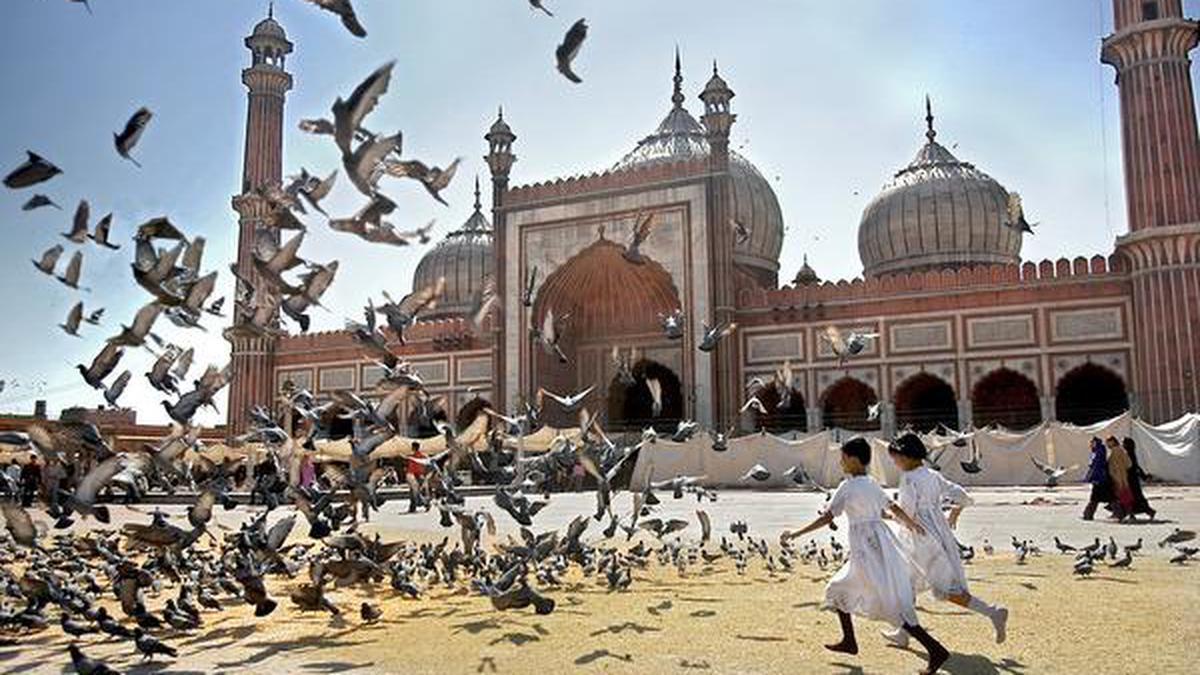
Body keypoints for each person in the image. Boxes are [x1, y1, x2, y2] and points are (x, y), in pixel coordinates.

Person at [784, 438, 950, 675]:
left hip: (865, 550)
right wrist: (910, 523)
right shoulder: (871, 483)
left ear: (852, 459)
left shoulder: (847, 487)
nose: (841, 462)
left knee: (886, 604)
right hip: (879, 545)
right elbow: (892, 507)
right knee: (840, 590)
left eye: (842, 458)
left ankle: (936, 650)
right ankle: (850, 641)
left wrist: (796, 533)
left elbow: (828, 517)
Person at [883, 434, 1008, 648]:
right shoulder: (932, 475)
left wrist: (886, 515)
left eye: (897, 458)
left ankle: (992, 612)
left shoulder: (909, 479)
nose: (895, 463)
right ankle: (904, 632)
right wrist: (955, 512)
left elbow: (907, 513)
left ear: (907, 456)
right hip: (938, 532)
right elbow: (961, 494)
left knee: (946, 589)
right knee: (907, 583)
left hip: (920, 538)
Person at [1122, 437, 1156, 520]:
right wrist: (1143, 476)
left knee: (1133, 497)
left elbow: (1133, 467)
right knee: (1134, 497)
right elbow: (1137, 467)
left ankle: (1146, 512)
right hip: (1132, 480)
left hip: (1131, 480)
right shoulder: (1130, 453)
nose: (1122, 444)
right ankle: (1132, 513)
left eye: (1124, 443)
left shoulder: (1129, 454)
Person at [1081, 437, 1112, 520]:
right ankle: (1087, 514)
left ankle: (1088, 514)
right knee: (1100, 498)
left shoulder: (1099, 452)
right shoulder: (1096, 452)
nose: (1091, 444)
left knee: (1096, 498)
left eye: (1092, 443)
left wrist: (1090, 477)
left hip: (1100, 479)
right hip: (1098, 479)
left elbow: (1096, 466)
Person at [1106, 436, 1134, 520]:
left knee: (1122, 496)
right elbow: (1129, 464)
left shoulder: (1115, 452)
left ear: (1113, 442)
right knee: (1122, 496)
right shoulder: (1121, 451)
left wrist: (1117, 471)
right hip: (1122, 477)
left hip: (1117, 478)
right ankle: (1120, 513)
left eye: (1108, 442)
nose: (1107, 444)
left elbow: (1127, 463)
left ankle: (1128, 514)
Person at [406, 442, 427, 513]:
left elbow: (421, 467)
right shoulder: (419, 456)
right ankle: (413, 507)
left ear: (414, 447)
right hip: (415, 476)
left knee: (415, 492)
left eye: (412, 447)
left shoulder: (418, 456)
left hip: (417, 476)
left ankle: (425, 504)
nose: (411, 448)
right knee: (413, 492)